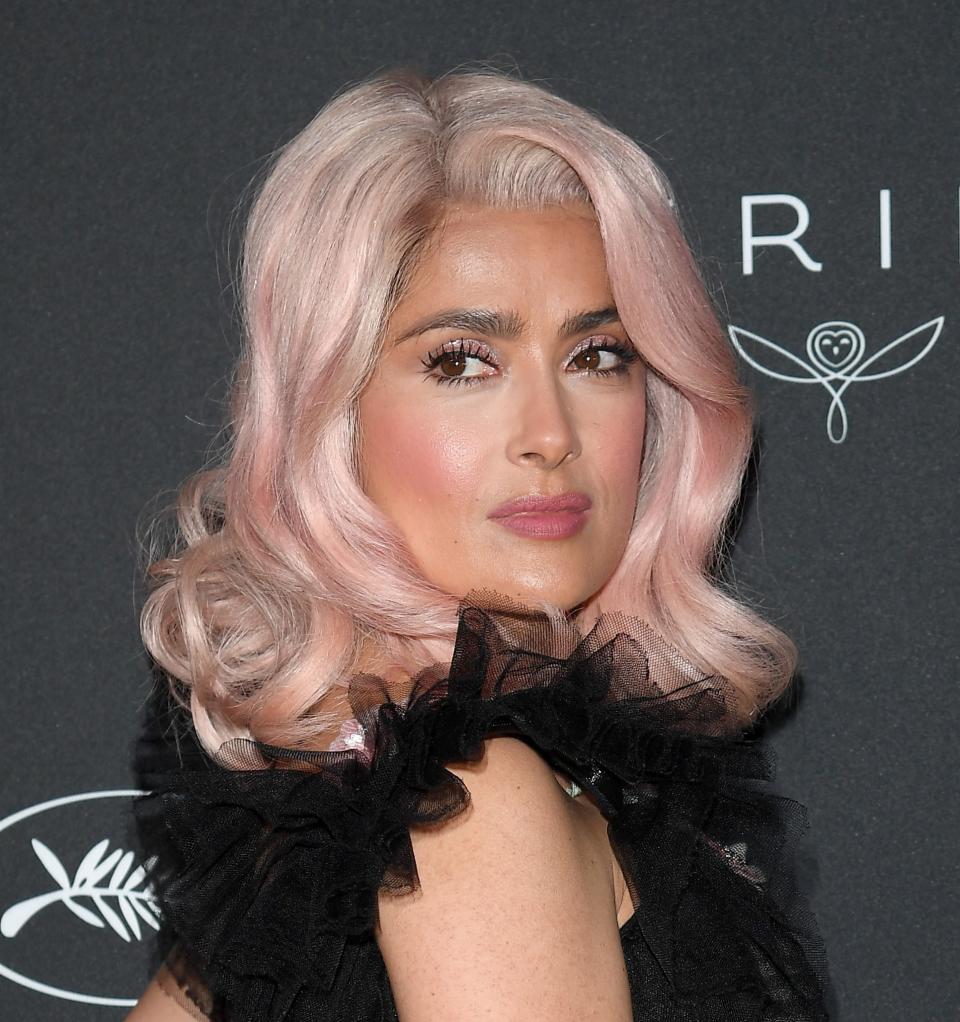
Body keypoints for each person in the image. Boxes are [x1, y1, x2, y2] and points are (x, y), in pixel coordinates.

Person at [127, 66, 830, 1021]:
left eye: (598, 356)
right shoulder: (469, 798)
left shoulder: (326, 805)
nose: (550, 432)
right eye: (463, 361)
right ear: (332, 414)